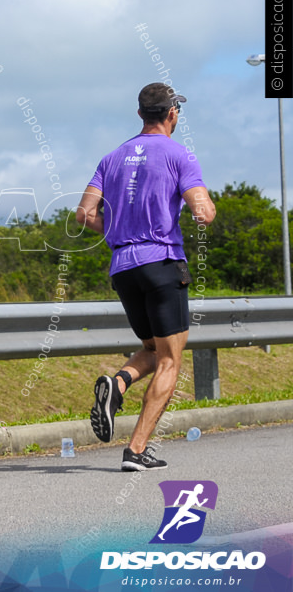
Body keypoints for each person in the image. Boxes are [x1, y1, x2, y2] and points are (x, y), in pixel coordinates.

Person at [76, 82, 215, 472]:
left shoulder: (111, 158)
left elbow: (83, 214)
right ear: (172, 114)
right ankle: (135, 450)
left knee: (153, 349)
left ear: (140, 114)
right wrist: (204, 211)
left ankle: (117, 385)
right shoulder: (179, 154)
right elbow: (202, 209)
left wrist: (118, 231)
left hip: (123, 268)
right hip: (162, 263)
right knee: (171, 360)